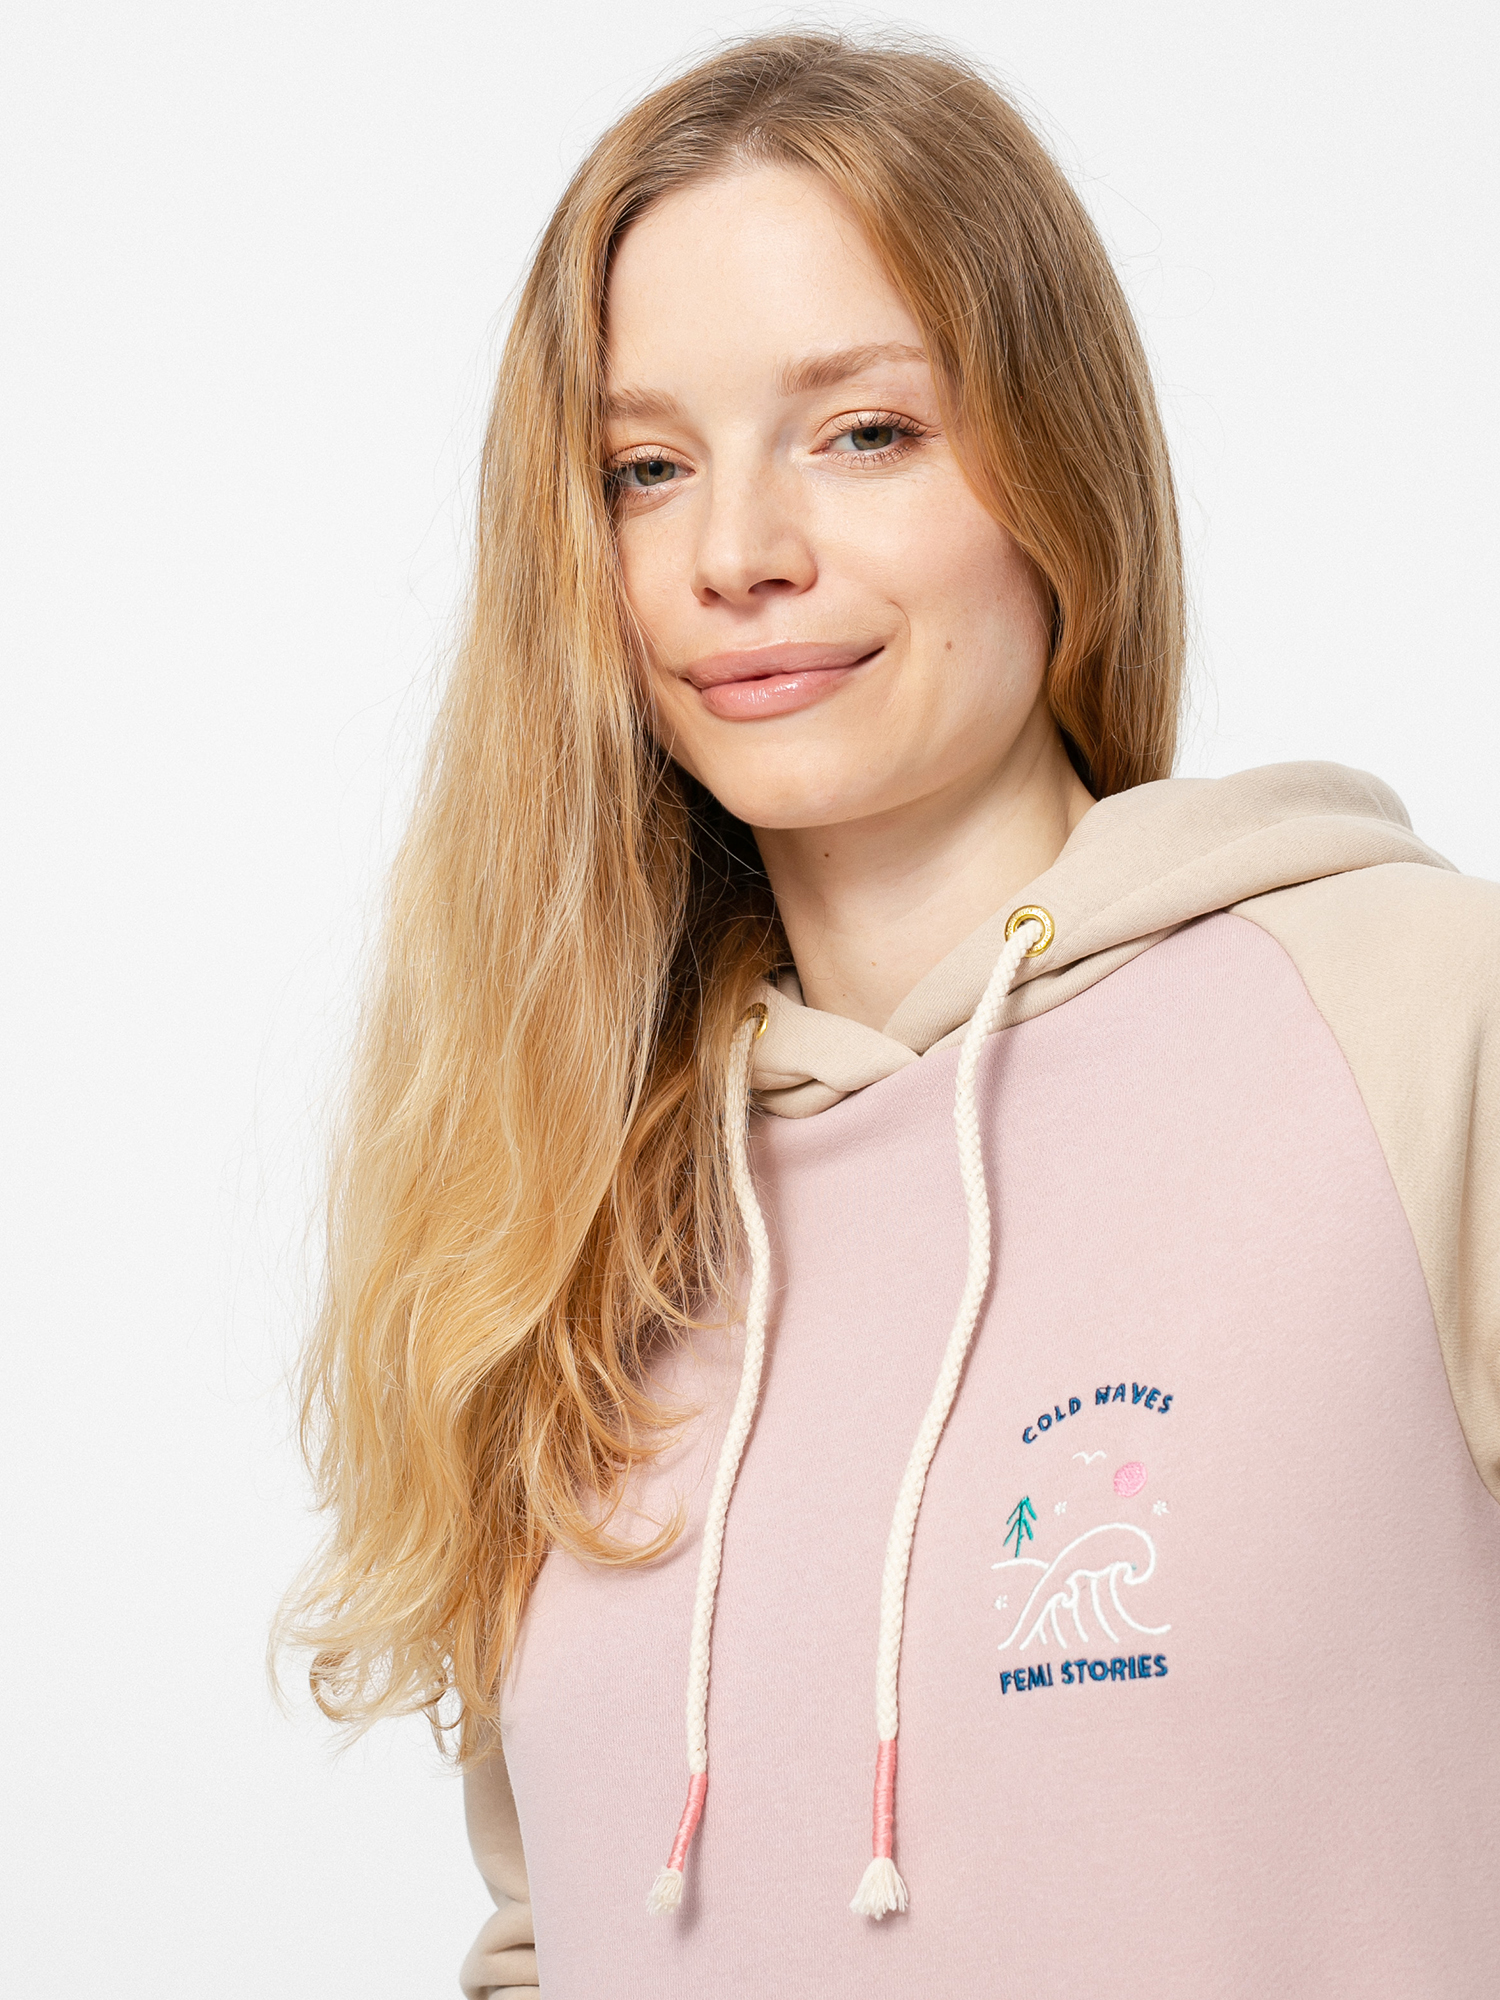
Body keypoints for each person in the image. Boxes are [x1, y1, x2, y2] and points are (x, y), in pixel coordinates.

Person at [279, 30, 1500, 1998]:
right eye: (645, 469)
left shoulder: (1423, 1021)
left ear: (1054, 471)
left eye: (862, 432)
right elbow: (554, 1933)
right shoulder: (566, 1210)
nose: (738, 553)